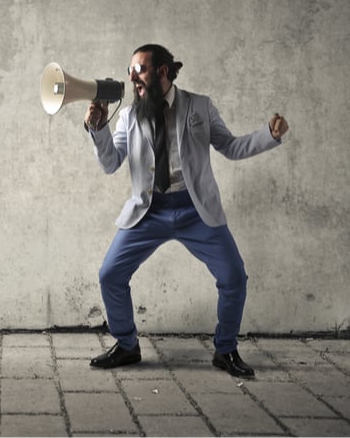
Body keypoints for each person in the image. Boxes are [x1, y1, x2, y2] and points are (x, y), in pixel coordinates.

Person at [85, 44, 288, 377]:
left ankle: (225, 350)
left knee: (234, 277)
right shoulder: (129, 116)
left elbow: (231, 147)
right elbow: (110, 163)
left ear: (163, 72)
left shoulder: (200, 107)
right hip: (148, 211)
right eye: (130, 70)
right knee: (110, 275)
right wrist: (98, 128)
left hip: (197, 210)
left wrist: (269, 136)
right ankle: (126, 345)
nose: (133, 77)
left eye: (140, 69)